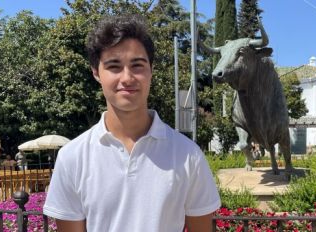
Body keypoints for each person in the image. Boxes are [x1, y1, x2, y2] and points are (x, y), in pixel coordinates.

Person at [43, 14, 220, 232]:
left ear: (151, 70)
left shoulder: (188, 155)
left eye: (137, 65)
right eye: (114, 66)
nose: (127, 78)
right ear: (96, 72)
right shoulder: (73, 157)